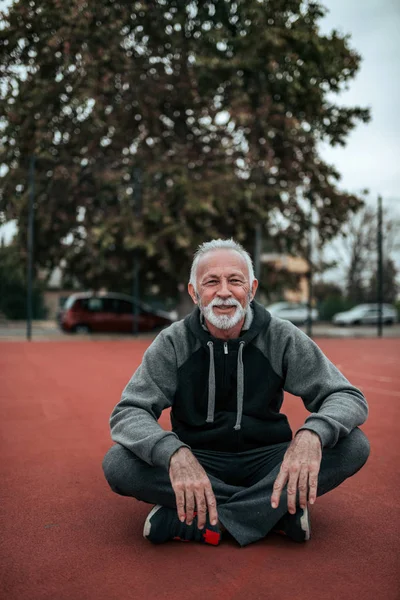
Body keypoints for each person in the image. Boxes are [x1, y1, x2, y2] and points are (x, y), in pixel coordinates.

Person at [103, 239, 369, 547]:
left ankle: (203, 519)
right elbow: (129, 412)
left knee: (353, 445)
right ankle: (274, 513)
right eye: (211, 282)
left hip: (268, 460)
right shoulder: (172, 343)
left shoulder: (280, 336)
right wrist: (174, 453)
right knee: (119, 463)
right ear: (194, 293)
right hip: (199, 458)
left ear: (252, 289)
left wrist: (312, 434)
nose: (224, 292)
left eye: (235, 281)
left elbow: (347, 396)